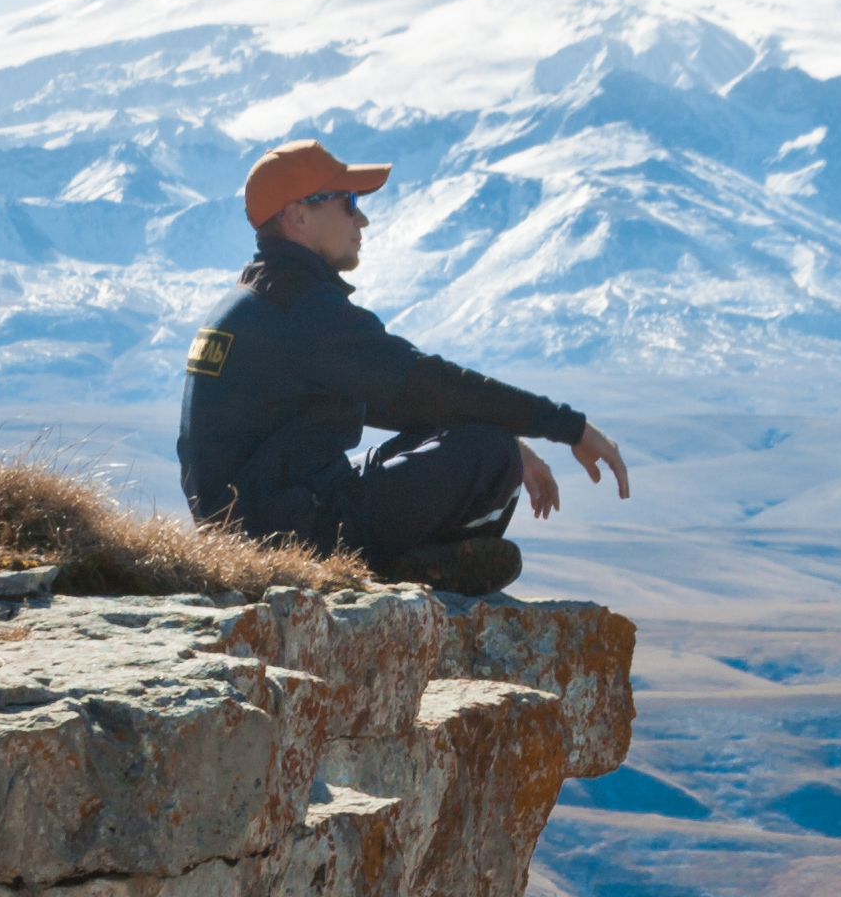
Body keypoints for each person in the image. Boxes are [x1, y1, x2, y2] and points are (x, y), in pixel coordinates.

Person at [177, 139, 630, 593]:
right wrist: (569, 427)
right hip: (287, 539)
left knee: (479, 435)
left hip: (269, 522)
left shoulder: (258, 301)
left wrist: (513, 434)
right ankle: (406, 572)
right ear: (298, 215)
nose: (362, 218)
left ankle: (417, 564)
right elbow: (425, 382)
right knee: (489, 454)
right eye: (349, 203)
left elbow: (404, 401)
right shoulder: (302, 309)